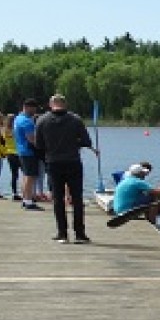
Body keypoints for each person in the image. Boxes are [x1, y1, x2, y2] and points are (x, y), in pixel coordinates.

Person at [34, 94, 98, 243]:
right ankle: (80, 234)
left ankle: (62, 234)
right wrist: (74, 142)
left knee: (58, 199)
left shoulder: (42, 120)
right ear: (65, 104)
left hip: (53, 163)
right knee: (76, 198)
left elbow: (39, 145)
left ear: (51, 104)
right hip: (73, 162)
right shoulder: (75, 119)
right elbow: (86, 141)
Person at [13, 98, 43, 211]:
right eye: (34, 108)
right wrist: (42, 146)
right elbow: (31, 139)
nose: (35, 111)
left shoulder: (18, 118)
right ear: (28, 107)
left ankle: (26, 199)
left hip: (20, 150)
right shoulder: (27, 121)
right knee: (31, 176)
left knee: (26, 176)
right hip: (28, 151)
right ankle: (28, 201)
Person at [2, 114, 21, 200]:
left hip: (9, 153)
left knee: (14, 174)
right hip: (17, 153)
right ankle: (25, 192)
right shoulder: (16, 130)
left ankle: (14, 192)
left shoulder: (5, 131)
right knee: (25, 173)